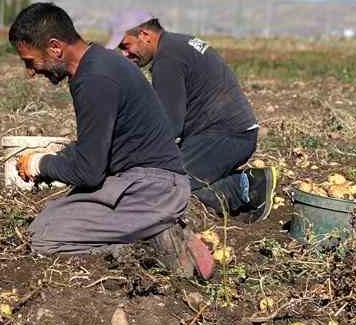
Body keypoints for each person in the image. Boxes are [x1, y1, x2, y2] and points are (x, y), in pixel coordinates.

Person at [8, 2, 213, 278]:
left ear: (55, 47)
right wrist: (61, 158)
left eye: (30, 61)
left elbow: (88, 172)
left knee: (42, 236)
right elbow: (96, 146)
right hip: (144, 181)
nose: (30, 72)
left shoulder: (95, 79)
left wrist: (40, 164)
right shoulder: (98, 63)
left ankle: (149, 248)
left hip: (153, 189)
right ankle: (150, 229)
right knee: (54, 214)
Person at [116, 18, 274, 219]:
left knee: (165, 190)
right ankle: (231, 183)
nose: (124, 54)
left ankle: (248, 185)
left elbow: (170, 125)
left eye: (126, 45)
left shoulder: (167, 59)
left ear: (145, 35)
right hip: (230, 133)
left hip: (225, 137)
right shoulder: (178, 43)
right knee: (165, 181)